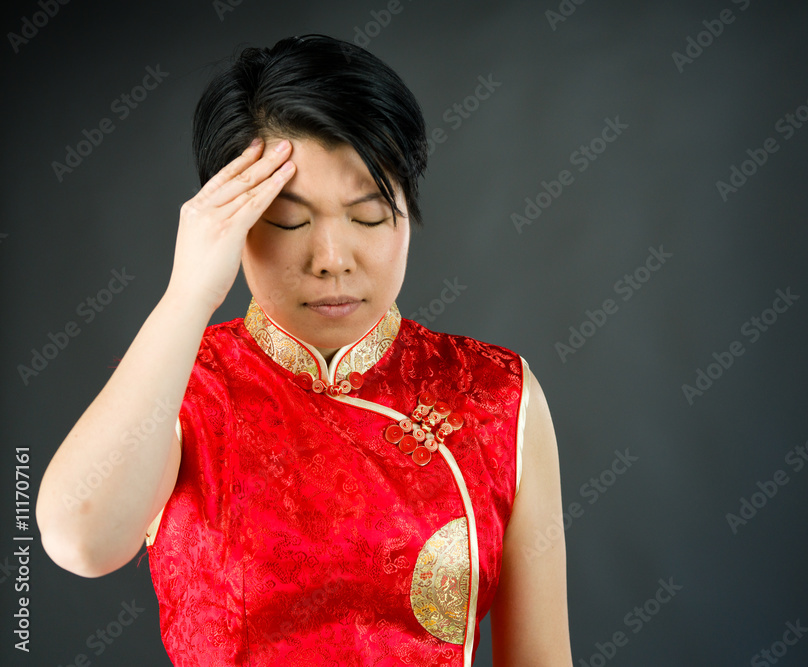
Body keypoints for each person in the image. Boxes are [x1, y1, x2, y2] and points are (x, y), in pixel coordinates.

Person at [37, 34, 572, 666]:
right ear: (230, 221)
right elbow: (81, 540)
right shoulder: (184, 384)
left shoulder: (495, 394)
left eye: (368, 215)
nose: (332, 259)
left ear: (407, 213)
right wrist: (187, 294)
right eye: (288, 220)